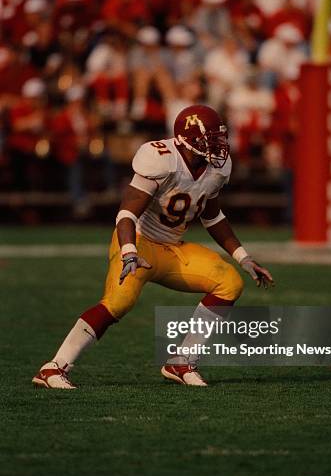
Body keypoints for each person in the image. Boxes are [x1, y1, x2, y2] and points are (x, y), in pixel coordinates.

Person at [33, 105, 274, 389]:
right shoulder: (160, 158)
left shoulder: (216, 167)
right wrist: (129, 252)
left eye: (218, 137)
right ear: (187, 140)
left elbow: (212, 216)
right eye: (208, 138)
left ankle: (181, 361)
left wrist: (244, 258)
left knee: (230, 282)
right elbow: (126, 215)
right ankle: (53, 368)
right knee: (118, 303)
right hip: (139, 243)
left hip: (173, 249)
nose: (217, 145)